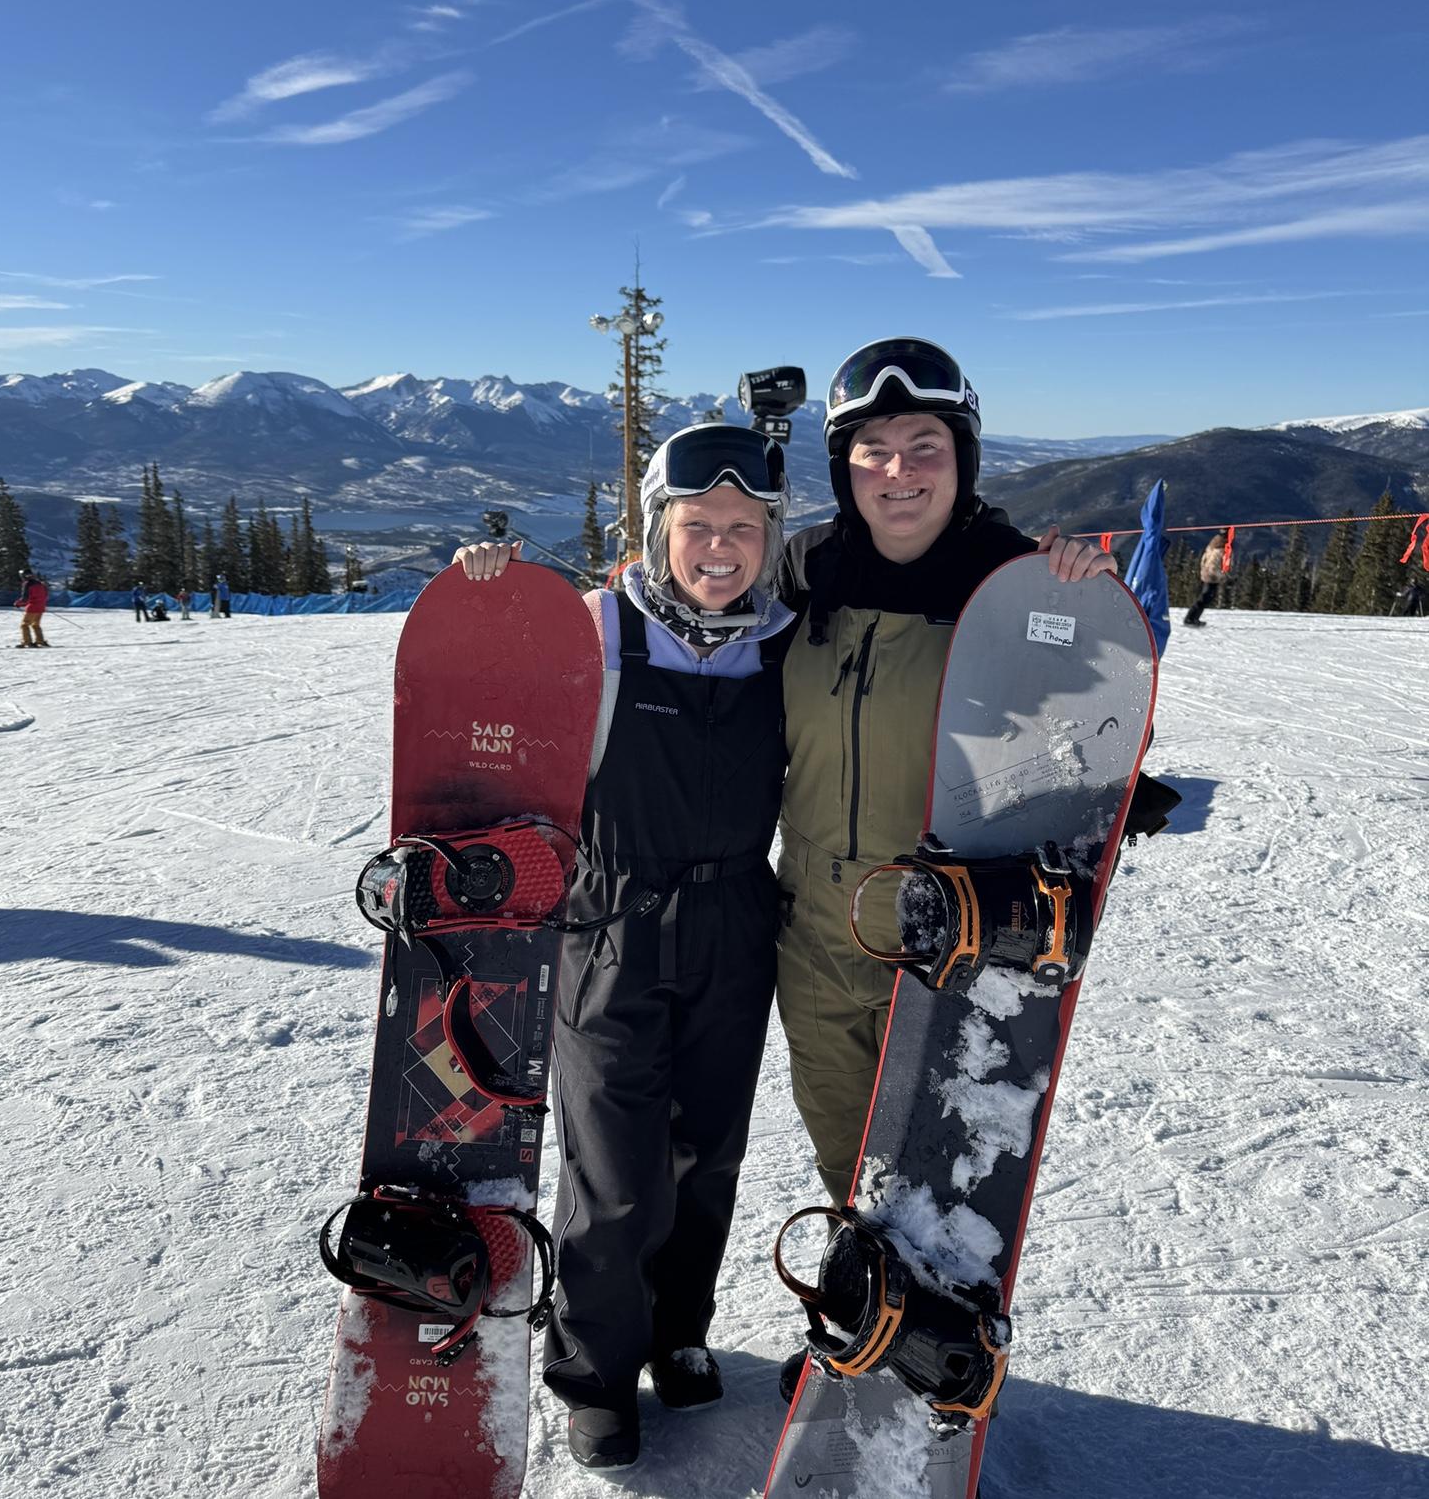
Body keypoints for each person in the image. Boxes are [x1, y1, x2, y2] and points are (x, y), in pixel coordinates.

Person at [455, 425, 794, 1472]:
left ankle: (677, 1332)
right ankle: (596, 1372)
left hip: (737, 914)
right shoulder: (601, 630)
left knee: (710, 1152)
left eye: (747, 527)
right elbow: (489, 697)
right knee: (612, 1163)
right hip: (615, 919)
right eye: (700, 526)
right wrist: (490, 590)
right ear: (659, 528)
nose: (723, 547)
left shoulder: (787, 640)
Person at [774, 337, 1122, 1217]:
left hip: (945, 930)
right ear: (844, 467)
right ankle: (866, 1333)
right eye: (873, 450)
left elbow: (1095, 734)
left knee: (935, 1173)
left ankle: (932, 1332)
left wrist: (1087, 606)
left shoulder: (1011, 583)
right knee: (848, 1166)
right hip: (812, 932)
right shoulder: (803, 569)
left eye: (925, 445)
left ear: (961, 457)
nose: (900, 470)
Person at [1184, 534, 1227, 626]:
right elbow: (1214, 567)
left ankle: (1193, 618)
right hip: (1212, 577)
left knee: (1206, 598)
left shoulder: (1211, 547)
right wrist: (1223, 576)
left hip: (1208, 575)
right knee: (1205, 598)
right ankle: (1190, 618)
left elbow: (1204, 561)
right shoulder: (1220, 551)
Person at [14, 569, 49, 648]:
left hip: (32, 607)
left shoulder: (27, 584)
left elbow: (25, 599)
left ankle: (27, 642)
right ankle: (40, 641)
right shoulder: (40, 584)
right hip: (41, 607)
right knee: (35, 624)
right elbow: (46, 595)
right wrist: (41, 603)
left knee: (24, 625)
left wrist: (17, 603)